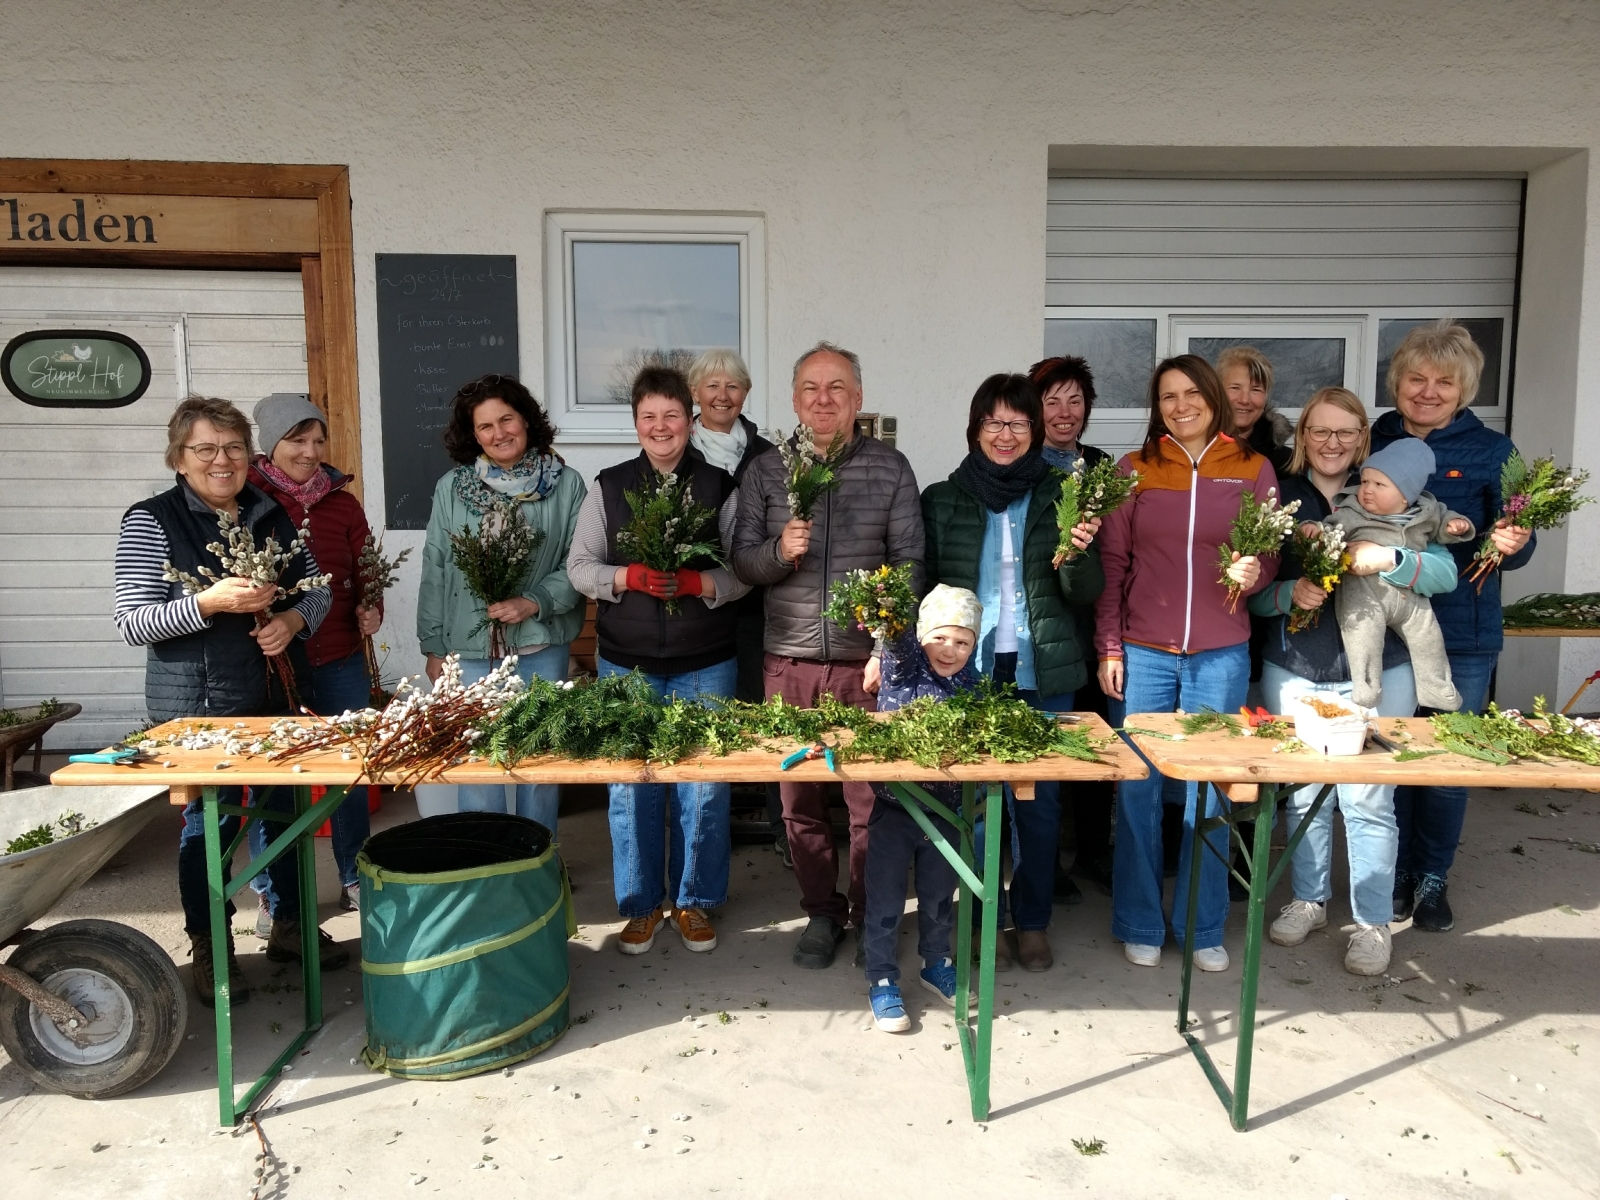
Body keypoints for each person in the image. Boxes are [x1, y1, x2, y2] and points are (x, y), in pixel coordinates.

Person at [113, 395, 339, 1005]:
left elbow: (316, 592)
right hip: (200, 709)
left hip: (275, 695)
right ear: (179, 458)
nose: (222, 460)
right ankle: (213, 948)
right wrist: (209, 603)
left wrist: (291, 622)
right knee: (211, 826)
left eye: (234, 448)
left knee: (287, 811)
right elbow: (134, 621)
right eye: (206, 449)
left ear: (250, 456)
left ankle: (290, 927)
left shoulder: (272, 515)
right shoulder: (151, 519)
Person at [1249, 387, 1460, 975]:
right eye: (1320, 431)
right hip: (1295, 672)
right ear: (1302, 437)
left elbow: (1444, 572)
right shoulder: (1278, 497)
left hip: (1384, 673)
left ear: (1363, 438)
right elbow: (1250, 594)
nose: (1332, 443)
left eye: (1346, 432)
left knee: (1369, 800)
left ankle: (1371, 922)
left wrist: (1389, 560)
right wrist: (1289, 594)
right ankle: (1310, 900)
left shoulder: (1392, 493)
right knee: (1302, 797)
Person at [732, 341, 925, 970]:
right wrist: (778, 552)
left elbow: (909, 564)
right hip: (787, 660)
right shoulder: (766, 470)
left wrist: (885, 644)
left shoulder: (890, 469)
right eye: (811, 388)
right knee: (800, 800)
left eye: (837, 387)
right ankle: (822, 910)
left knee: (870, 801)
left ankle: (870, 915)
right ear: (792, 400)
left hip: (861, 664)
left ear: (858, 398)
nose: (823, 399)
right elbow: (743, 561)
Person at [1094, 355, 1279, 971]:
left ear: (1213, 398)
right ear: (1157, 405)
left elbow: (1270, 557)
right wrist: (1110, 646)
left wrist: (1256, 574)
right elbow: (1113, 567)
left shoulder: (1253, 469)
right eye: (1168, 396)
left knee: (1210, 795)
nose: (1181, 405)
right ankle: (1140, 921)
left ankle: (1202, 929)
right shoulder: (1135, 470)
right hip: (1144, 652)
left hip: (1220, 654)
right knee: (1139, 791)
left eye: (1191, 392)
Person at [920, 373, 1103, 972]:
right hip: (965, 670)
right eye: (993, 423)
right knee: (970, 798)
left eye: (1017, 423)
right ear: (975, 429)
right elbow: (925, 590)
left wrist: (1076, 555)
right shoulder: (944, 497)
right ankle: (981, 915)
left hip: (1041, 668)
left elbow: (1086, 593)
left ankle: (1031, 921)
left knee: (1040, 803)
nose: (1005, 434)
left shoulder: (1063, 495)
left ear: (1035, 430)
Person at [567, 365, 749, 954]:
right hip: (628, 662)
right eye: (649, 417)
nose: (661, 427)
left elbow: (747, 572)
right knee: (632, 786)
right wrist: (627, 576)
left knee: (703, 786)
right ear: (636, 424)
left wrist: (704, 583)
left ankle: (695, 902)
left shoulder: (720, 485)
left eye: (672, 415)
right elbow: (579, 567)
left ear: (691, 421)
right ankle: (643, 905)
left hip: (707, 659)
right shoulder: (610, 485)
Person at [1370, 320, 1536, 933]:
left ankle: (1431, 877)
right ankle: (1388, 872)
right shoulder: (1373, 435)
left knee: (1445, 761)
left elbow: (1518, 542)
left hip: (1462, 630)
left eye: (1445, 381)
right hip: (1386, 628)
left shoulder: (1494, 451)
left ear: (1464, 389)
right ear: (1398, 381)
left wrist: (1514, 541)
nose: (1428, 391)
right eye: (1416, 378)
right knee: (1388, 757)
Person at [417, 374, 586, 830]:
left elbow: (581, 560)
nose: (499, 433)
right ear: (472, 435)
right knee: (478, 758)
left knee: (539, 761)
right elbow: (436, 565)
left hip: (540, 644)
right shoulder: (452, 488)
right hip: (469, 650)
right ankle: (488, 862)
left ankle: (538, 857)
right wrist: (434, 645)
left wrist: (534, 602)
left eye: (506, 419)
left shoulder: (566, 484)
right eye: (485, 426)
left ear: (526, 421)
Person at [245, 393, 381, 923]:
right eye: (297, 440)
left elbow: (364, 565)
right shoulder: (250, 501)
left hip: (340, 654)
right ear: (271, 444)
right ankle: (268, 887)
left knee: (349, 771)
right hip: (275, 662)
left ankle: (354, 874)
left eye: (318, 440)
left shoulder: (342, 503)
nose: (310, 451)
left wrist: (372, 606)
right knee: (272, 779)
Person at [862, 585, 984, 1032]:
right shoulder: (904, 668)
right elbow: (894, 637)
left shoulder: (972, 685)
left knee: (937, 898)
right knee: (886, 900)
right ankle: (881, 978)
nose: (950, 650)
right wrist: (885, 604)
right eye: (940, 637)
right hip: (895, 809)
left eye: (963, 641)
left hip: (947, 813)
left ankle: (936, 964)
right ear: (921, 637)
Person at [686, 349, 785, 863]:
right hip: (692, 608)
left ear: (745, 394)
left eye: (733, 386)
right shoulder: (677, 449)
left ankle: (782, 828)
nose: (722, 395)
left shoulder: (768, 454)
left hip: (757, 608)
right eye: (711, 386)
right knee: (704, 723)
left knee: (766, 717)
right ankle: (702, 837)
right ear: (695, 393)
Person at [1028, 355, 1115, 897]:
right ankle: (1043, 863)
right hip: (1042, 625)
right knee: (1044, 746)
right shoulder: (1019, 464)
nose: (1064, 412)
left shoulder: (1102, 466)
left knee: (1094, 738)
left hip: (1091, 621)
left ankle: (1091, 852)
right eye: (1051, 400)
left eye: (1074, 401)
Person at [1321, 441, 1474, 708]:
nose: (1367, 490)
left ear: (1406, 495)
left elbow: (1444, 524)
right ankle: (1367, 688)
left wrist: (1455, 526)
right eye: (1365, 481)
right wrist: (1313, 530)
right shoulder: (1352, 513)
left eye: (1379, 485)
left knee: (1429, 639)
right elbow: (1329, 530)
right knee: (1363, 638)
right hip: (1365, 594)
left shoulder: (1426, 512)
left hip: (1411, 598)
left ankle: (1437, 689)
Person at [1216, 345, 1293, 473]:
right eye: (1235, 388)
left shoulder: (1285, 463)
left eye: (1255, 390)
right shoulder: (1196, 452)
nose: (1244, 400)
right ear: (1217, 391)